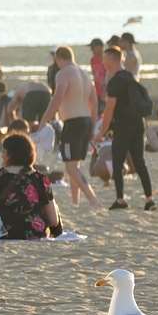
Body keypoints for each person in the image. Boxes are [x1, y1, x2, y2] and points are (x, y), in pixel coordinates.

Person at [95, 43, 154, 211]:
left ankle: (120, 199)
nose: (103, 63)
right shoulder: (130, 76)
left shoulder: (115, 82)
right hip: (138, 124)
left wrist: (102, 131)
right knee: (139, 162)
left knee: (118, 161)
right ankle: (149, 199)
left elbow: (109, 108)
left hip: (123, 126)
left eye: (105, 59)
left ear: (112, 60)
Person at [0, 132, 62, 239]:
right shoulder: (40, 179)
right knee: (54, 207)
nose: (2, 155)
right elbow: (53, 221)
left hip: (2, 233)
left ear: (10, 154)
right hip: (34, 234)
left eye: (4, 152)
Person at [48, 45, 101, 209]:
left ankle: (93, 199)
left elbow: (57, 98)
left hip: (73, 123)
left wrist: (45, 119)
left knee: (70, 168)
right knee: (74, 166)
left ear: (58, 58)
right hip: (85, 121)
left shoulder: (63, 73)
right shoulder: (84, 74)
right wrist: (92, 126)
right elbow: (94, 102)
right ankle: (75, 201)